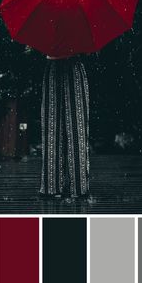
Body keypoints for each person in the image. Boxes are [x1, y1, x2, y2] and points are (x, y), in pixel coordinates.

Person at [39, 52, 90, 201]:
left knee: (58, 130)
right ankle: (75, 187)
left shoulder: (46, 28)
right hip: (63, 67)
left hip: (63, 67)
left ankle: (55, 186)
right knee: (72, 130)